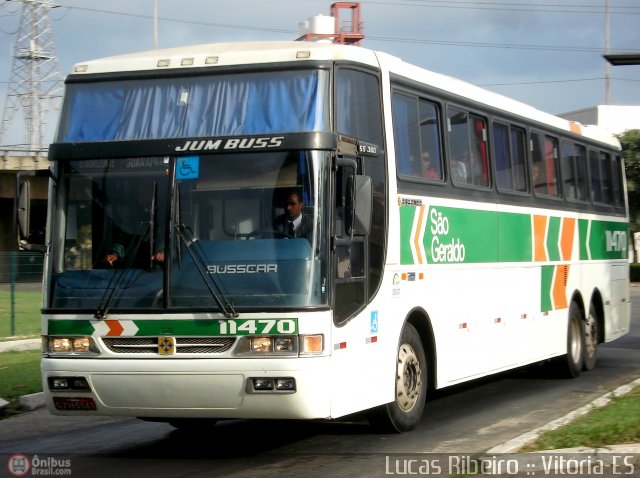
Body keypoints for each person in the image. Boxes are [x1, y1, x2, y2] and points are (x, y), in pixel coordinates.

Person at [102, 186, 165, 268]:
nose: (140, 197)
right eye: (139, 194)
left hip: (161, 270)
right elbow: (124, 236)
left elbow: (169, 237)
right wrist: (115, 253)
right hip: (134, 269)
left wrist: (163, 252)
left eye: (143, 193)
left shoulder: (165, 213)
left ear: (153, 194)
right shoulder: (133, 214)